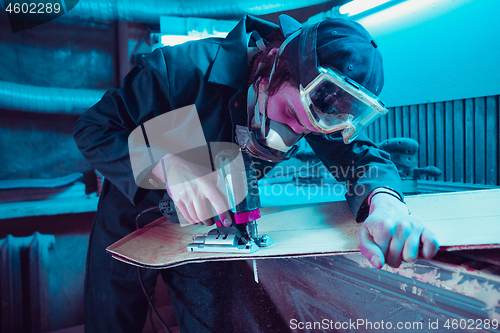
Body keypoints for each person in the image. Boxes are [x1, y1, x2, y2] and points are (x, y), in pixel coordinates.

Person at [73, 14, 439, 333]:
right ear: (274, 65)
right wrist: (165, 164)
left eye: (310, 132)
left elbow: (363, 159)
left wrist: (386, 205)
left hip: (213, 224)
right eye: (292, 117)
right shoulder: (181, 71)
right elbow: (93, 130)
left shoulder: (316, 103)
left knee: (213, 321)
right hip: (131, 216)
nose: (291, 136)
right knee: (112, 320)